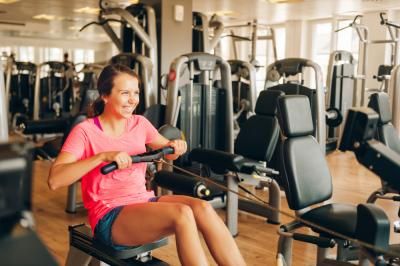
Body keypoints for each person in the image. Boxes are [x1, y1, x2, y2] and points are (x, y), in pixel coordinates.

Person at [47, 64, 246, 266]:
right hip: (109, 215)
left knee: (202, 207)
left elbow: (167, 150)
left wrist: (175, 147)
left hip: (143, 202)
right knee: (182, 214)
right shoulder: (85, 131)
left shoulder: (139, 124)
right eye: (125, 93)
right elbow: (55, 180)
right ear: (105, 96)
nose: (133, 100)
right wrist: (101, 157)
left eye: (136, 93)